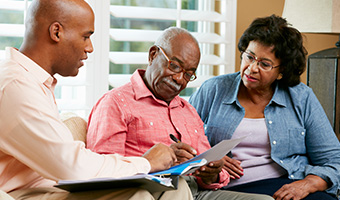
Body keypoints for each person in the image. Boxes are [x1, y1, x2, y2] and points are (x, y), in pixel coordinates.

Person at [0, 0, 193, 199]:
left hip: (51, 187)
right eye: (86, 36)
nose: (90, 48)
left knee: (175, 187)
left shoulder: (34, 81)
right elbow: (71, 167)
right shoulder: (15, 86)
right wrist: (146, 163)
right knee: (137, 194)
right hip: (24, 194)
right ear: (57, 32)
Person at [87, 26, 274, 200]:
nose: (179, 79)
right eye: (175, 66)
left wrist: (213, 172)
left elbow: (208, 168)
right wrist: (158, 163)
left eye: (188, 74)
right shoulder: (116, 103)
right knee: (178, 186)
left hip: (197, 191)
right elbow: (103, 171)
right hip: (151, 191)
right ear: (153, 55)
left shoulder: (188, 110)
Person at [189, 15, 340, 200]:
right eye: (249, 57)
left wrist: (307, 184)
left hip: (287, 183)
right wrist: (209, 159)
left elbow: (333, 160)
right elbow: (179, 139)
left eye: (264, 64)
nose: (252, 68)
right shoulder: (214, 89)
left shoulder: (301, 97)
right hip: (229, 188)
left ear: (281, 71)